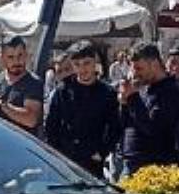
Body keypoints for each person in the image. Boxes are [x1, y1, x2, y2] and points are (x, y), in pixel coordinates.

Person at [44, 41, 121, 177]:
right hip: (65, 158)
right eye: (77, 65)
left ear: (94, 62)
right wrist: (56, 152)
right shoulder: (63, 91)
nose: (82, 69)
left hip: (92, 159)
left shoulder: (107, 93)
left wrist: (102, 152)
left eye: (86, 63)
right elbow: (51, 125)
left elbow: (114, 126)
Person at [118, 43, 179, 175]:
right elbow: (126, 124)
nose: (135, 74)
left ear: (154, 64)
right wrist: (124, 103)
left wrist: (132, 97)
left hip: (153, 166)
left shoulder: (171, 92)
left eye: (139, 68)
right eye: (133, 69)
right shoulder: (143, 87)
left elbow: (153, 128)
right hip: (130, 161)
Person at [0, 36, 44, 134]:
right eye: (10, 57)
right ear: (2, 58)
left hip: (23, 145)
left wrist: (2, 105)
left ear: (26, 55)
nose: (16, 61)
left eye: (20, 55)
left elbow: (31, 120)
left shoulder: (33, 83)